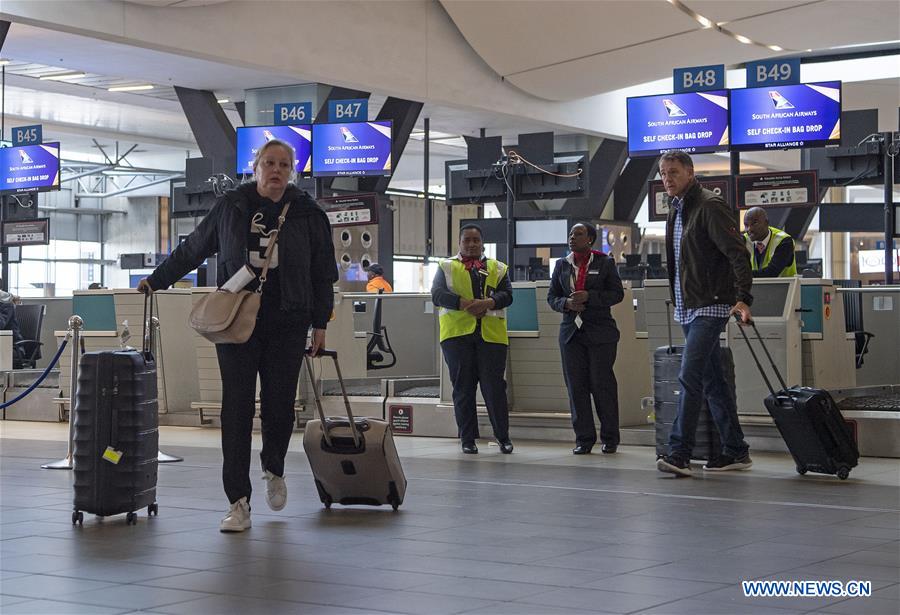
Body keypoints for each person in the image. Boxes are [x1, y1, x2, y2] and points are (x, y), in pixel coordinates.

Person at [138, 139, 338, 531]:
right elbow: (194, 247)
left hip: (288, 320)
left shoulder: (307, 214)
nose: (276, 170)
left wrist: (320, 325)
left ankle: (274, 468)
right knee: (236, 409)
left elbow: (322, 273)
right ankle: (238, 501)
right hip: (235, 320)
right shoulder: (231, 206)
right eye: (269, 163)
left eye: (283, 164)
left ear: (292, 170)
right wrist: (157, 280)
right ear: (256, 166)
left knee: (280, 406)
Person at [655, 150, 754, 477]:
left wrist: (742, 298)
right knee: (713, 381)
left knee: (690, 375)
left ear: (690, 173)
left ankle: (679, 452)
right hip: (689, 306)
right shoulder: (677, 209)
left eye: (673, 172)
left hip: (711, 304)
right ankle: (736, 449)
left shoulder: (709, 205)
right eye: (663, 174)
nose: (667, 179)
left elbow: (737, 253)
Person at [431, 224, 513, 454]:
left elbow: (507, 295)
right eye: (467, 240)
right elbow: (437, 294)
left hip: (492, 337)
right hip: (457, 336)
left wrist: (487, 303)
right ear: (459, 243)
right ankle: (467, 439)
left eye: (476, 240)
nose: (471, 244)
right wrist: (465, 304)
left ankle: (503, 437)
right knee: (463, 389)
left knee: (494, 388)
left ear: (482, 243)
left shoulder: (498, 267)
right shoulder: (446, 266)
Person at [547, 223, 624, 455]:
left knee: (602, 384)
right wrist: (566, 303)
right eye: (571, 233)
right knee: (576, 387)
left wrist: (591, 296)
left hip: (600, 332)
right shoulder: (562, 265)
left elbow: (617, 294)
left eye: (578, 234)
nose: (572, 237)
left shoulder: (604, 263)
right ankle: (584, 439)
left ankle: (610, 438)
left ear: (590, 239)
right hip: (571, 333)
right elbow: (552, 297)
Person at [743, 207, 797, 278]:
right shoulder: (744, 240)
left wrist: (741, 275)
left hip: (785, 288)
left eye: (754, 223)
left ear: (766, 223)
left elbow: (772, 272)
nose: (749, 229)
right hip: (753, 288)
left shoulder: (784, 241)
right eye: (746, 225)